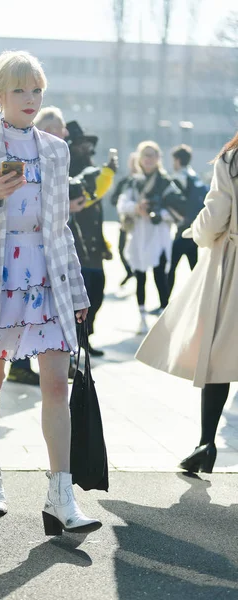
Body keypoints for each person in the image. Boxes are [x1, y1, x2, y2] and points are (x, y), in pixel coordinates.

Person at [0, 50, 101, 535]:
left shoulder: (56, 150)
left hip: (48, 280)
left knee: (56, 385)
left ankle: (61, 495)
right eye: (20, 90)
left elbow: (60, 228)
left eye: (37, 90)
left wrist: (77, 293)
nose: (31, 99)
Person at [136, 131, 238, 474]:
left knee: (218, 356)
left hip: (233, 267)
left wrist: (196, 233)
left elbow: (213, 219)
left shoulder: (232, 159)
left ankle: (206, 443)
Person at [6, 106, 85, 385]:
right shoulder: (14, 152)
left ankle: (60, 362)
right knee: (21, 306)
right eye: (55, 127)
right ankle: (20, 364)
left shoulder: (60, 152)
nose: (60, 133)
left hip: (55, 243)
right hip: (21, 248)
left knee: (38, 308)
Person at [117, 141, 185, 334]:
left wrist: (157, 213)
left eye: (152, 155)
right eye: (145, 155)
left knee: (159, 276)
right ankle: (142, 319)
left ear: (158, 159)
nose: (148, 159)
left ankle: (164, 319)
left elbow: (179, 209)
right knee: (140, 277)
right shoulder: (133, 181)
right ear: (139, 158)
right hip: (138, 234)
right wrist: (137, 209)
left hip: (159, 235)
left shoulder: (166, 182)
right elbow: (122, 204)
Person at [67, 121, 117, 356]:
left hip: (94, 246)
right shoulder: (71, 172)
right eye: (80, 144)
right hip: (78, 245)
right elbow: (88, 195)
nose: (85, 148)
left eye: (87, 144)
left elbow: (96, 211)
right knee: (83, 296)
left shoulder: (91, 169)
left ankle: (85, 338)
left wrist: (104, 241)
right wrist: (107, 174)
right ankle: (77, 341)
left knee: (97, 292)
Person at [167, 144, 209, 295]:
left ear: (177, 160)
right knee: (194, 268)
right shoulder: (195, 176)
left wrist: (178, 217)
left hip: (182, 229)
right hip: (194, 228)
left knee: (170, 268)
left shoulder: (178, 178)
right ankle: (201, 297)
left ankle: (164, 302)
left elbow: (171, 200)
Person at [109, 152, 137, 287]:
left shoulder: (146, 181)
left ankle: (138, 273)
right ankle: (129, 270)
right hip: (125, 222)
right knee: (121, 249)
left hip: (140, 223)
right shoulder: (125, 181)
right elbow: (113, 199)